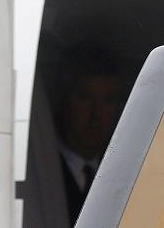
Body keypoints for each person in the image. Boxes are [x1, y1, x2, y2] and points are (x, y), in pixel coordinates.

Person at [56, 43, 127, 226]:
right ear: (65, 101)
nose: (97, 114)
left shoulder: (127, 173)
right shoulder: (41, 173)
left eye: (108, 100)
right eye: (85, 98)